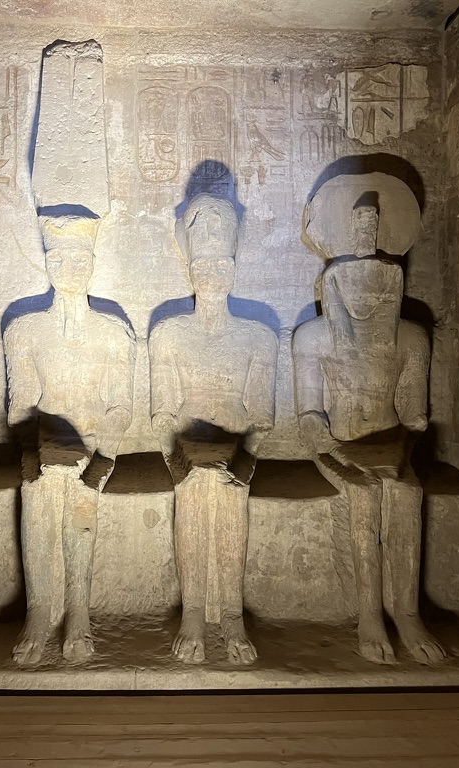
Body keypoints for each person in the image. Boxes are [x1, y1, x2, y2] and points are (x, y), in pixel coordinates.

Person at [294, 173, 445, 665]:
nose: (364, 296)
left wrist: (398, 455)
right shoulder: (314, 338)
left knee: (406, 491)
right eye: (352, 285)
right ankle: (369, 614)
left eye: (376, 286)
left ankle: (407, 611)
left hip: (391, 447)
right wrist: (338, 449)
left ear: (392, 286)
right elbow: (309, 417)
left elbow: (414, 419)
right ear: (333, 285)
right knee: (364, 494)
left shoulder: (410, 339)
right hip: (336, 448)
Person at [149, 194, 277, 664]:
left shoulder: (258, 337)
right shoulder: (169, 333)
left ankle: (232, 615)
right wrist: (176, 459)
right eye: (203, 265)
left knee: (228, 499)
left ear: (234, 268)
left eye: (222, 264)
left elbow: (261, 417)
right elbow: (163, 414)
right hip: (187, 450)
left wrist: (244, 458)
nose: (212, 274)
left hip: (236, 451)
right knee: (194, 492)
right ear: (190, 269)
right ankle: (194, 614)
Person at [4, 215, 136, 664]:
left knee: (80, 494)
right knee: (40, 490)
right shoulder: (24, 329)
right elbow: (21, 407)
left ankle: (78, 611)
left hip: (93, 445)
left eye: (79, 259)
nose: (69, 268)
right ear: (46, 263)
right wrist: (32, 451)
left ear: (93, 262)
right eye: (58, 259)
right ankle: (40, 611)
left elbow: (120, 408)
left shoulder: (113, 330)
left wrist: (103, 457)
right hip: (45, 445)